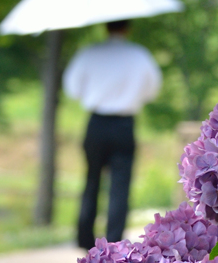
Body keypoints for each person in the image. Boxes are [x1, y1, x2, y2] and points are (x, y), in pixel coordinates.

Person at [63, 19, 162, 249]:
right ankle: (114, 240)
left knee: (91, 179)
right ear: (128, 27)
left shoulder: (89, 54)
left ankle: (84, 238)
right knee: (120, 185)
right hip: (124, 125)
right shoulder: (139, 55)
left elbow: (72, 88)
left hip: (96, 122)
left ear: (105, 27)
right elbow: (153, 89)